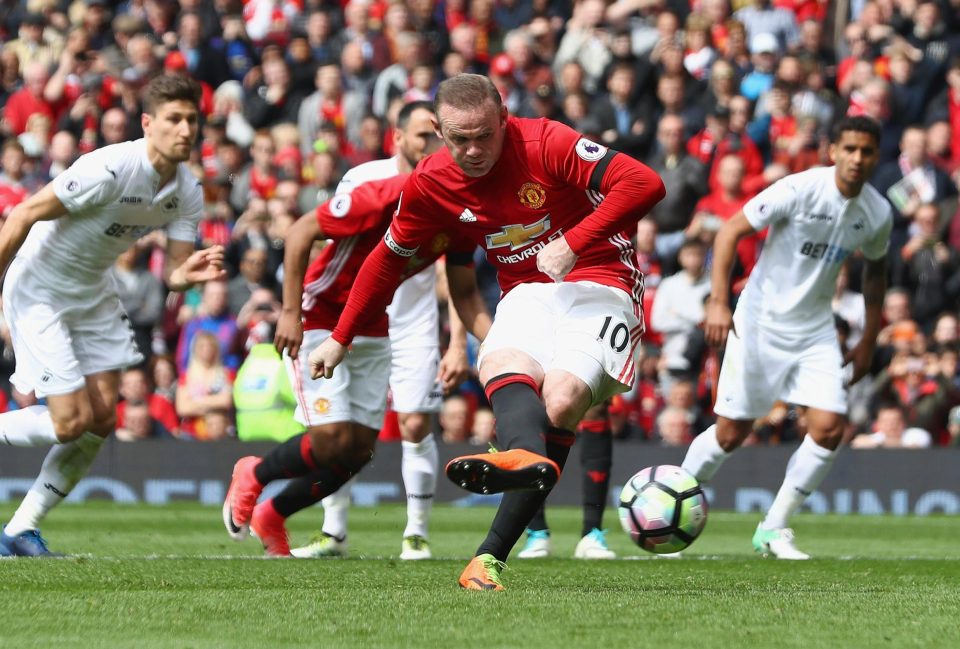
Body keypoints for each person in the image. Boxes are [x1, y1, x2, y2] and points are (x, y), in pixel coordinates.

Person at [306, 74, 665, 589]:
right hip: (525, 290)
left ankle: (499, 528)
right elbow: (385, 259)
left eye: (484, 135)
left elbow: (645, 183)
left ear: (503, 116)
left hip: (603, 280)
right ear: (437, 130)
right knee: (500, 360)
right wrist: (341, 335)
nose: (474, 150)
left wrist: (576, 240)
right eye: (459, 139)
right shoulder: (430, 181)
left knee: (561, 400)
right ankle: (495, 535)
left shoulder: (546, 141)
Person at [0, 74, 224, 556]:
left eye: (192, 120)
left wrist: (192, 271)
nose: (185, 129)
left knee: (102, 418)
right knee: (68, 422)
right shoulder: (109, 168)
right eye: (174, 120)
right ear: (148, 123)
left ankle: (20, 529)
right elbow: (21, 215)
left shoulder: (187, 191)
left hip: (94, 292)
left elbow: (176, 275)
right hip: (40, 287)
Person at [221, 173, 470, 557]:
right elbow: (302, 230)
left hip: (372, 324)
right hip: (319, 316)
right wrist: (290, 312)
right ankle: (254, 473)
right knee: (331, 439)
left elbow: (462, 285)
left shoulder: (462, 220)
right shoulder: (381, 196)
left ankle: (273, 513)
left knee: (357, 452)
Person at [679, 115, 892, 560]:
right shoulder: (798, 189)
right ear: (833, 151)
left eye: (866, 151)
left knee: (830, 427)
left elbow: (875, 274)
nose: (856, 158)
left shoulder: (877, 213)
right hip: (759, 323)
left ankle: (773, 528)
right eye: (849, 148)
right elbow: (730, 231)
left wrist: (869, 339)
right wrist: (718, 301)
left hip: (814, 330)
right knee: (732, 433)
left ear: (875, 158)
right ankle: (671, 504)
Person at [285, 101, 471, 561]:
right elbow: (330, 247)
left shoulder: (451, 188)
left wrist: (459, 342)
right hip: (357, 316)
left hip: (414, 319)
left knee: (412, 422)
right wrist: (306, 311)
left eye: (437, 137)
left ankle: (417, 533)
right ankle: (334, 531)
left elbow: (458, 269)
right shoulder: (365, 181)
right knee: (341, 430)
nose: (430, 145)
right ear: (398, 139)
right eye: (421, 136)